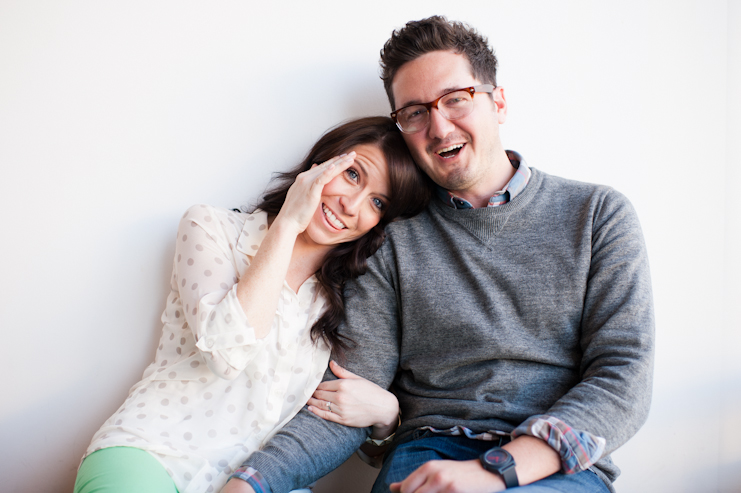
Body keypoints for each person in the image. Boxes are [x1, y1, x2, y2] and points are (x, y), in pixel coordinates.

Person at [224, 16, 655, 493]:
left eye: (456, 99)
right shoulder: (391, 236)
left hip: (553, 469)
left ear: (498, 102)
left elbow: (623, 380)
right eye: (415, 112)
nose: (439, 126)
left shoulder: (597, 215)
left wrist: (496, 469)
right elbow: (345, 399)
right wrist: (250, 483)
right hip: (425, 456)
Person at [73, 116, 431, 493]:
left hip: (262, 482)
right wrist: (287, 224)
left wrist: (387, 417)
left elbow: (348, 438)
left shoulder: (353, 296)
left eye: (377, 202)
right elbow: (226, 355)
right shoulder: (211, 228)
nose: (351, 205)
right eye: (352, 175)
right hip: (154, 452)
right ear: (322, 162)